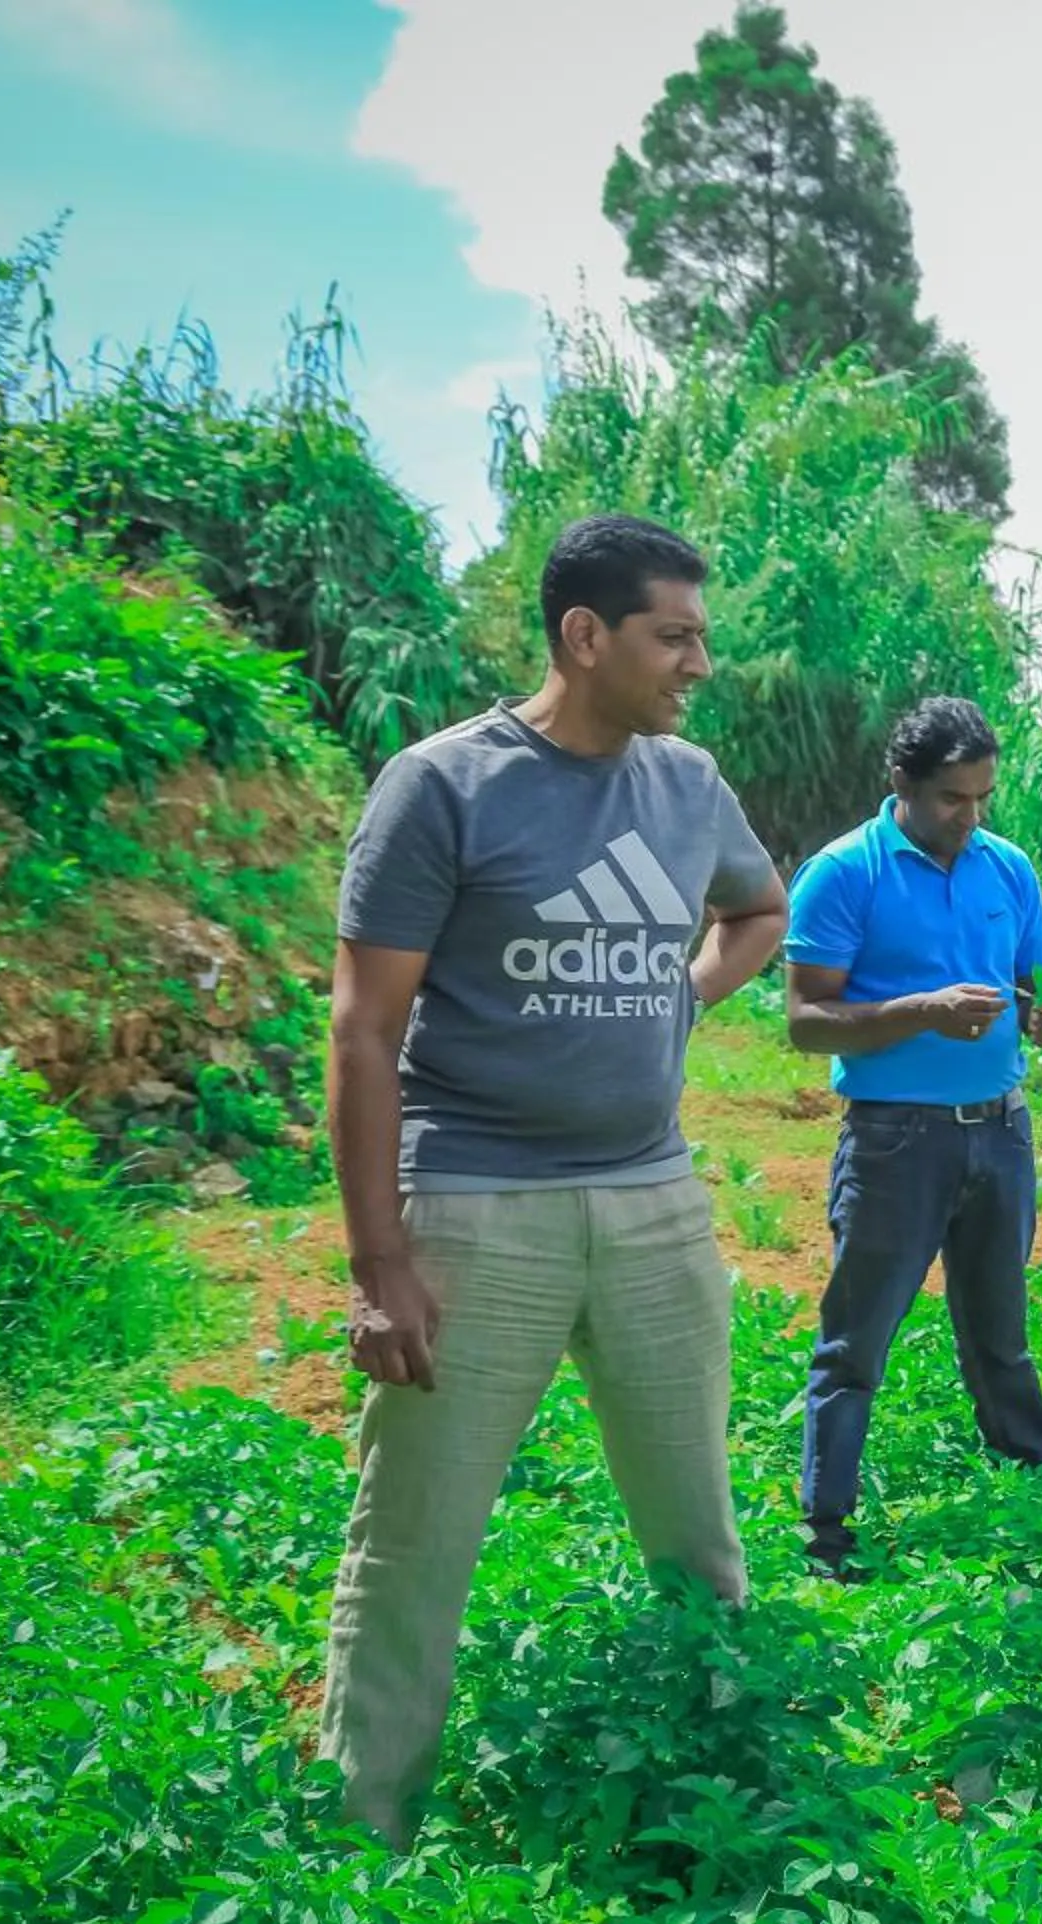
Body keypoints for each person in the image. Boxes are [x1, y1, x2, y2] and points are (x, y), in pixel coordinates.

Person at [319, 513, 790, 1845]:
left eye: (703, 634)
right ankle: (368, 1838)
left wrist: (679, 999)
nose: (699, 661)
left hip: (655, 1203)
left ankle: (721, 1800)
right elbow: (364, 1030)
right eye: (674, 636)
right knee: (417, 1543)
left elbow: (757, 910)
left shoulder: (687, 785)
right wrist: (380, 1264)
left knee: (697, 1532)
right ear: (586, 637)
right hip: (474, 1205)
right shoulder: (443, 787)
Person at [782, 695, 1042, 1575]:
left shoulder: (1006, 868)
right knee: (855, 1342)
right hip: (893, 1142)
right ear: (901, 785)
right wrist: (921, 1012)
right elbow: (806, 1020)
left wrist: (1040, 1021)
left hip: (1000, 1133)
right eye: (953, 798)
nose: (970, 816)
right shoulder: (844, 873)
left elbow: (1022, 988)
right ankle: (826, 1532)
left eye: (982, 797)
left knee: (1000, 1334)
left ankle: (1037, 1500)